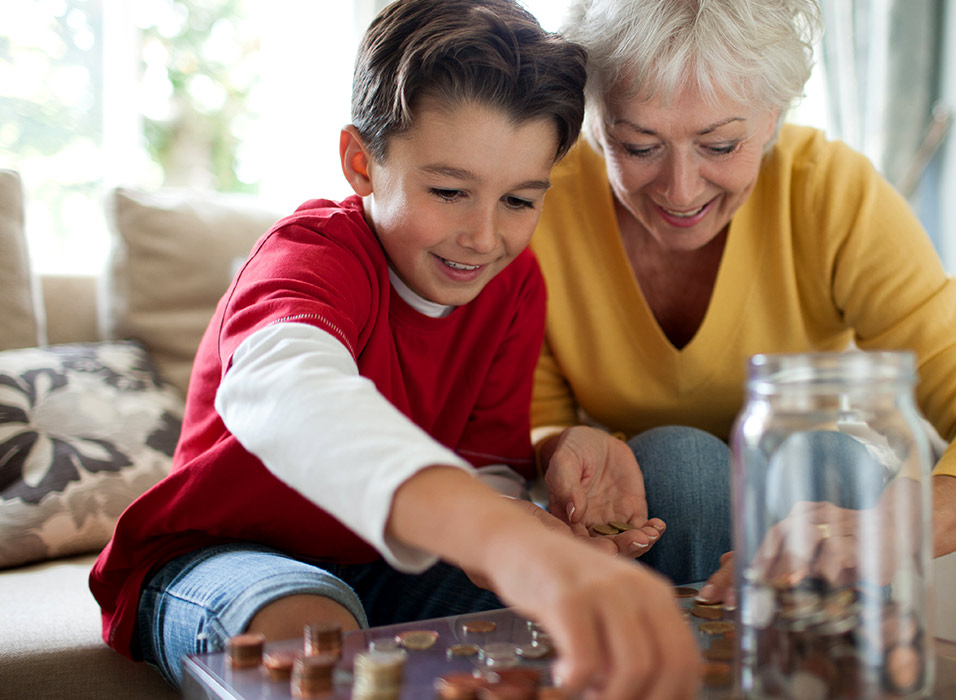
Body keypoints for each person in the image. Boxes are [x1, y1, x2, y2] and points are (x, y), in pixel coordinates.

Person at [89, 2, 700, 697]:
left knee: (562, 626)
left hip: (386, 562)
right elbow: (294, 395)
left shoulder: (515, 287)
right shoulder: (309, 258)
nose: (483, 236)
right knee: (310, 627)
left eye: (520, 201)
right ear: (361, 163)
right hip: (224, 554)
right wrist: (498, 539)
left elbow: (484, 467)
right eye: (448, 191)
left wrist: (523, 523)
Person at [529, 0, 956, 599]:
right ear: (595, 123)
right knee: (681, 465)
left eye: (721, 146)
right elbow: (538, 414)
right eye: (639, 145)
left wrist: (894, 529)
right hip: (654, 495)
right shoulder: (540, 200)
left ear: (773, 117)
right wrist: (559, 443)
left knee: (823, 454)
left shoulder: (831, 193)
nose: (681, 191)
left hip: (817, 482)